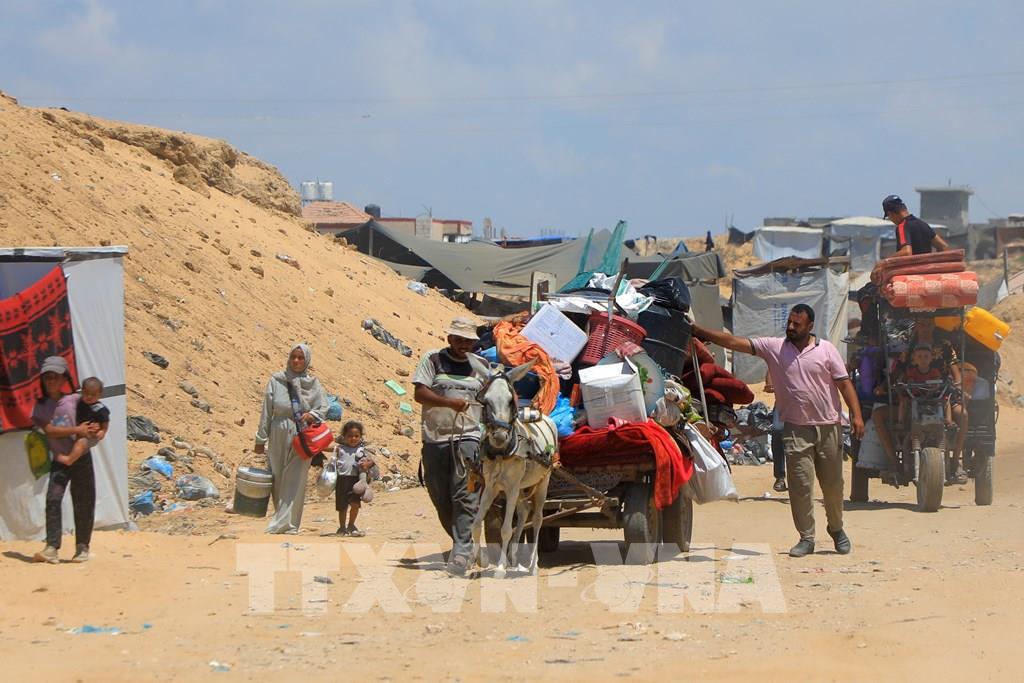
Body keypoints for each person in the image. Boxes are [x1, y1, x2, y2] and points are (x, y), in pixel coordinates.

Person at [692, 305, 864, 558]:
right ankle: (806, 538)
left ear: (810, 326)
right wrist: (698, 330)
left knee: (833, 485)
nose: (791, 327)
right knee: (800, 485)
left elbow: (844, 384)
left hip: (828, 427)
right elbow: (734, 342)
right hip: (795, 429)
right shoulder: (775, 347)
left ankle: (836, 529)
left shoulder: (827, 349)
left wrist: (856, 415)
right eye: (789, 323)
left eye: (797, 324)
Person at [413, 317, 489, 576]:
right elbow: (419, 394)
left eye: (468, 341)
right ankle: (464, 543)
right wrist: (449, 403)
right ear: (449, 339)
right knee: (440, 497)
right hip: (435, 439)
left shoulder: (482, 366)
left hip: (468, 438)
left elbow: (495, 394)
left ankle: (461, 552)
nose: (463, 344)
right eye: (458, 339)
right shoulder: (432, 359)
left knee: (464, 495)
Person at [32, 356, 101, 564]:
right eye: (47, 377)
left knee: (84, 502)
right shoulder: (41, 406)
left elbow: (94, 420)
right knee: (53, 500)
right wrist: (77, 429)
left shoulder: (76, 400)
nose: (51, 380)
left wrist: (95, 429)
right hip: (60, 460)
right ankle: (52, 547)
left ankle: (82, 547)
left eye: (55, 376)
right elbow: (49, 431)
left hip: (81, 458)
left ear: (64, 378)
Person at [255, 344, 327, 534]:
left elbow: (323, 408)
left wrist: (311, 415)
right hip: (278, 431)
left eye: (300, 358)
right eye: (293, 357)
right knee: (278, 477)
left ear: (307, 361)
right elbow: (267, 411)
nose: (296, 361)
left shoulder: (313, 384)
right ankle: (280, 518)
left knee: (296, 480)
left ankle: (290, 524)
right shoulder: (276, 380)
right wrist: (260, 439)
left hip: (302, 435)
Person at [333, 421, 376, 537]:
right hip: (342, 481)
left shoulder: (362, 450)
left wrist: (368, 464)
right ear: (344, 436)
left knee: (355, 505)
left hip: (356, 482)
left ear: (361, 436)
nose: (353, 438)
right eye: (350, 436)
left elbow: (372, 461)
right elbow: (326, 447)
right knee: (342, 507)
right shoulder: (340, 449)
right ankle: (342, 527)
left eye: (356, 436)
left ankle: (351, 524)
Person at [61, 377, 110, 467]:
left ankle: (69, 460)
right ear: (82, 391)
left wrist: (102, 431)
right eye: (86, 393)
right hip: (78, 430)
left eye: (93, 395)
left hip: (91, 435)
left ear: (100, 395)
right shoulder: (79, 401)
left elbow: (105, 422)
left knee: (81, 443)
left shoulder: (100, 409)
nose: (89, 397)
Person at [882, 194, 950, 256]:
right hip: (927, 265)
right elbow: (944, 247)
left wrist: (886, 261)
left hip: (912, 266)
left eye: (888, 217)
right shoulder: (923, 224)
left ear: (890, 213)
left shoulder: (902, 226)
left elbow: (906, 252)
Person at [764, 371, 786, 492]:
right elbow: (771, 367)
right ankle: (780, 477)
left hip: (804, 404)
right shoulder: (782, 360)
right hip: (783, 404)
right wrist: (770, 384)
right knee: (777, 433)